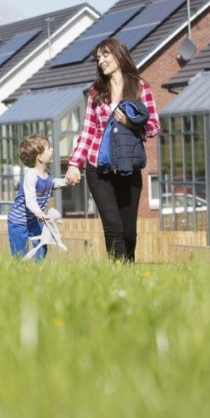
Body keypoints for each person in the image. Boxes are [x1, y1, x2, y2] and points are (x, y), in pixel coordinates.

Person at [65, 38, 160, 262]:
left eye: (105, 55)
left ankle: (128, 271)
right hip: (98, 166)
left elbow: (154, 125)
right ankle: (117, 275)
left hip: (128, 165)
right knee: (113, 227)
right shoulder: (96, 91)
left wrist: (131, 123)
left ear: (119, 55)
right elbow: (88, 130)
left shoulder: (140, 87)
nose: (101, 60)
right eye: (98, 58)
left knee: (128, 231)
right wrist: (73, 163)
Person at [7, 135, 68, 260]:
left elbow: (52, 184)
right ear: (40, 157)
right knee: (19, 254)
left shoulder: (46, 175)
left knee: (42, 246)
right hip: (18, 222)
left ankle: (36, 272)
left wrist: (67, 181)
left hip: (33, 220)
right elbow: (30, 200)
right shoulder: (31, 175)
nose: (52, 150)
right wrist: (39, 213)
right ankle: (19, 274)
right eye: (49, 148)